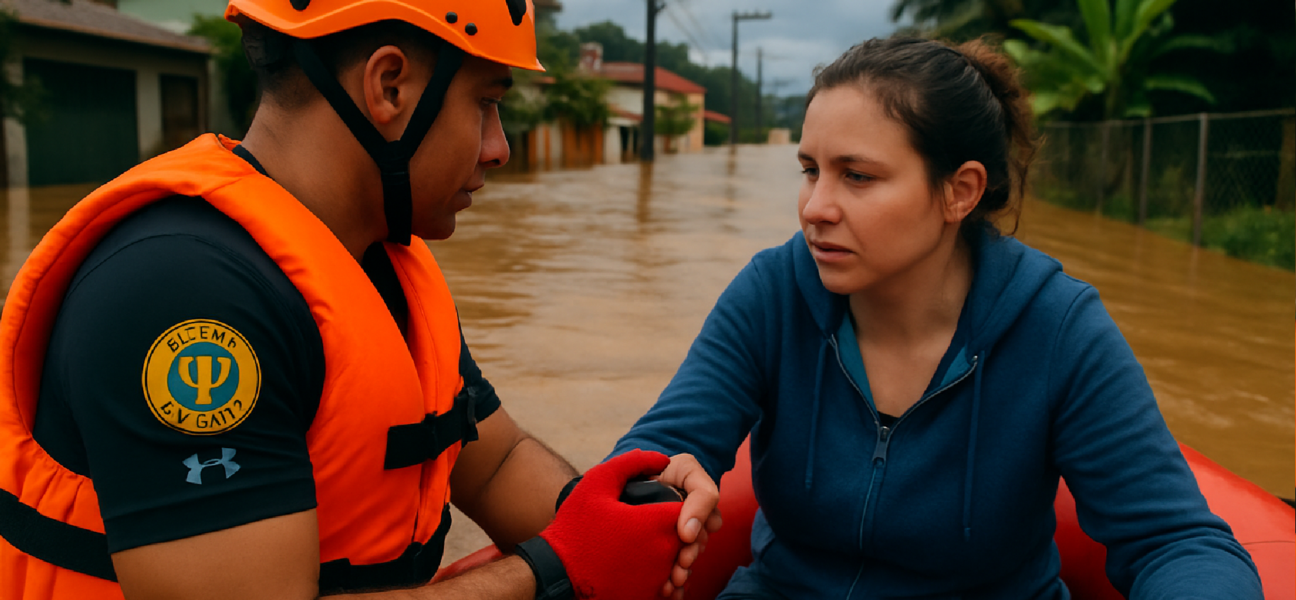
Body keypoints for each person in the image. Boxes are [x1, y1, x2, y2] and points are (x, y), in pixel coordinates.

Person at [0, 1, 719, 599]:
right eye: (487, 104)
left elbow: (496, 459)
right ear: (389, 88)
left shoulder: (380, 263)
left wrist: (617, 512)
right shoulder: (183, 293)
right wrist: (549, 572)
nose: (500, 148)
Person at [611, 37, 1262, 599]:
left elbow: (1176, 540)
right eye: (811, 171)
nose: (814, 207)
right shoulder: (773, 293)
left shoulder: (1058, 328)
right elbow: (658, 450)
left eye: (857, 176)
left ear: (960, 191)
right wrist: (656, 482)